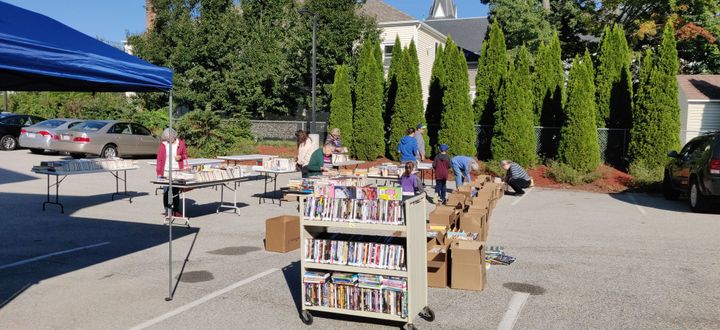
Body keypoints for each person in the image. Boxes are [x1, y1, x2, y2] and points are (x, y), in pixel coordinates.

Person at [156, 128, 189, 217]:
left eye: (170, 139)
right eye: (167, 139)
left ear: (174, 136)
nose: (169, 141)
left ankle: (175, 210)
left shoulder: (181, 143)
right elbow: (159, 159)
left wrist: (181, 157)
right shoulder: (163, 145)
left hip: (177, 170)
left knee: (175, 190)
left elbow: (186, 155)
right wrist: (159, 173)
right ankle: (167, 210)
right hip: (166, 171)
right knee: (166, 191)